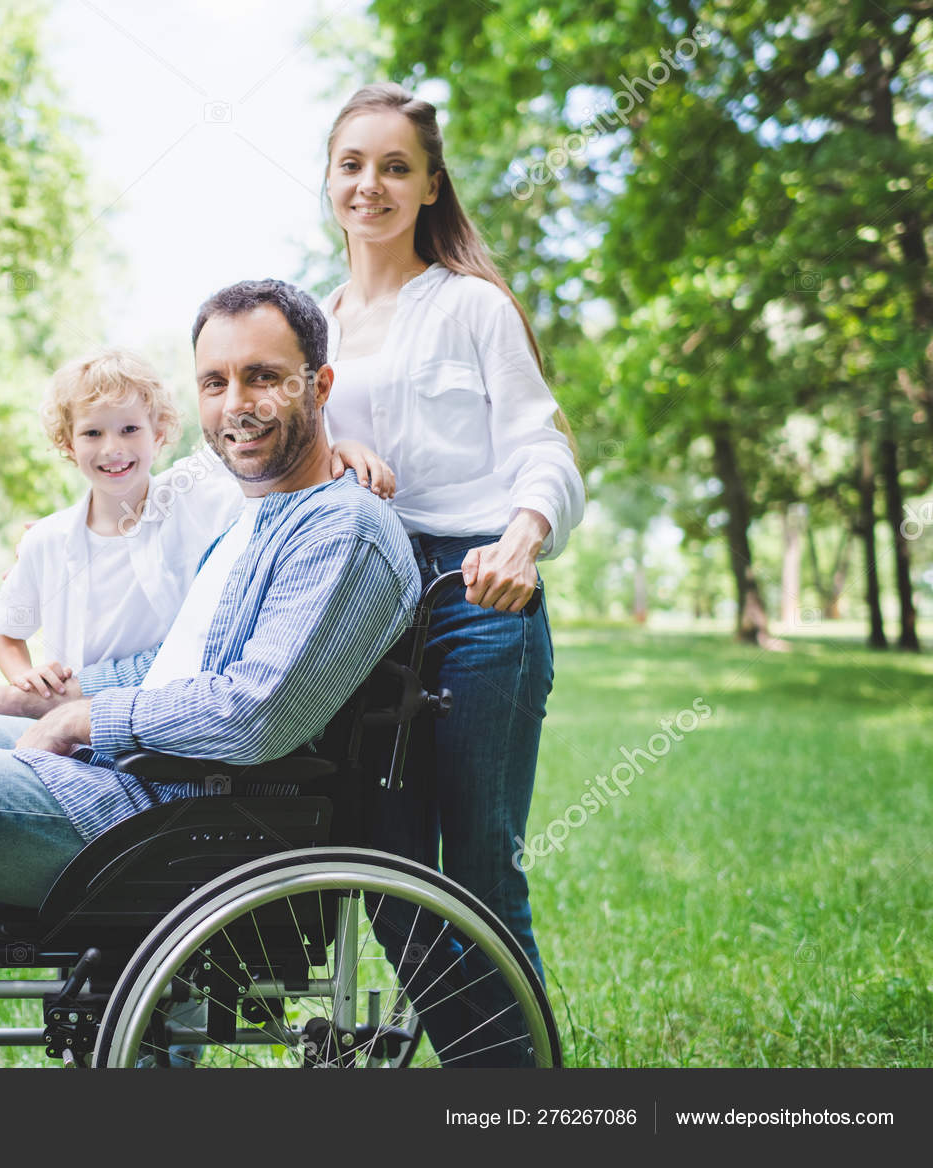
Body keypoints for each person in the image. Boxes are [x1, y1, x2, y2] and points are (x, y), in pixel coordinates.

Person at [0, 278, 420, 1068]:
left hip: (175, 820)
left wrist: (86, 721)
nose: (238, 403)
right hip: (138, 778)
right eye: (215, 381)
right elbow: (165, 668)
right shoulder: (257, 514)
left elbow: (254, 712)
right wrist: (28, 697)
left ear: (320, 385)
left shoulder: (344, 533)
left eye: (264, 376)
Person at [317, 82, 585, 1064]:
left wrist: (523, 538)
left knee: (478, 867)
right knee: (380, 863)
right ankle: (496, 1072)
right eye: (353, 164)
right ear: (328, 180)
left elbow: (543, 448)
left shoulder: (473, 307)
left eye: (395, 166)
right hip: (360, 606)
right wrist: (328, 458)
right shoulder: (309, 324)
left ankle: (510, 1091)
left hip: (478, 593)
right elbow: (265, 458)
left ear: (430, 184)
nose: (371, 184)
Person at [0, 348, 394, 698]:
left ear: (159, 432)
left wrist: (342, 448)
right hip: (68, 719)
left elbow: (280, 468)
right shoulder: (47, 539)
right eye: (92, 433)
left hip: (157, 716)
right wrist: (24, 679)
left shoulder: (193, 493)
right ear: (67, 444)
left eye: (130, 429)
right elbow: (6, 631)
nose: (113, 448)